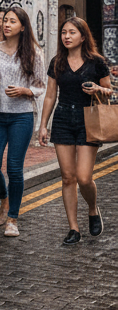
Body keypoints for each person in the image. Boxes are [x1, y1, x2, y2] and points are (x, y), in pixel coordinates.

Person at [38, 16, 112, 244]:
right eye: (64, 33)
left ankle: (92, 209)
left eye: (72, 32)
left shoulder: (96, 62)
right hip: (63, 119)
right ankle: (73, 228)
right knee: (68, 177)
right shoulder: (57, 62)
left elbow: (109, 90)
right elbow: (50, 95)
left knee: (84, 177)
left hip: (89, 120)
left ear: (83, 36)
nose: (67, 37)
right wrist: (43, 125)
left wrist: (97, 88)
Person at [0, 6, 46, 237]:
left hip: (22, 116)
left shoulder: (34, 53)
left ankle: (12, 219)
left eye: (12, 21)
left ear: (23, 27)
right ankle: (4, 199)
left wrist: (25, 91)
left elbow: (40, 86)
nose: (6, 24)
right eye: (5, 20)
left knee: (14, 168)